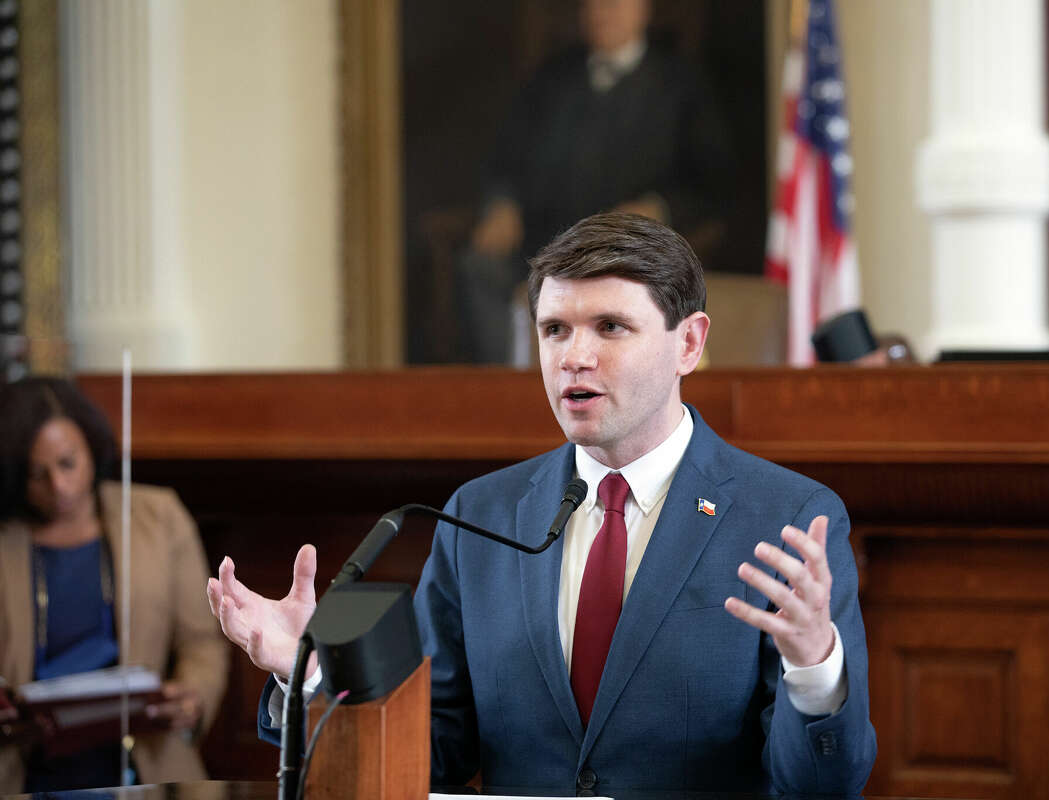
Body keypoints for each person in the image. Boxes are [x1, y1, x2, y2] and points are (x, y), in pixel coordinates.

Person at [211, 212, 875, 794]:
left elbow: (820, 788)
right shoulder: (479, 516)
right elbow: (431, 754)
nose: (574, 357)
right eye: (555, 329)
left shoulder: (785, 517)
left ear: (690, 343)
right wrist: (317, 674)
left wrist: (815, 668)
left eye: (610, 327)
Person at [456, 0, 734, 363]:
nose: (602, 11)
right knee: (481, 268)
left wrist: (660, 206)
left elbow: (712, 183)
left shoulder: (680, 85)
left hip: (627, 253)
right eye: (594, 3)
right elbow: (505, 161)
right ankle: (516, 395)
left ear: (643, 10)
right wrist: (502, 204)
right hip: (541, 247)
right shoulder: (552, 79)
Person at [0, 377, 228, 792]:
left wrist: (192, 698)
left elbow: (202, 643)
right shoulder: (6, 538)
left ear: (91, 446)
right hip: (23, 771)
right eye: (37, 474)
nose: (60, 486)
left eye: (68, 463)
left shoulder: (159, 517)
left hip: (147, 765)